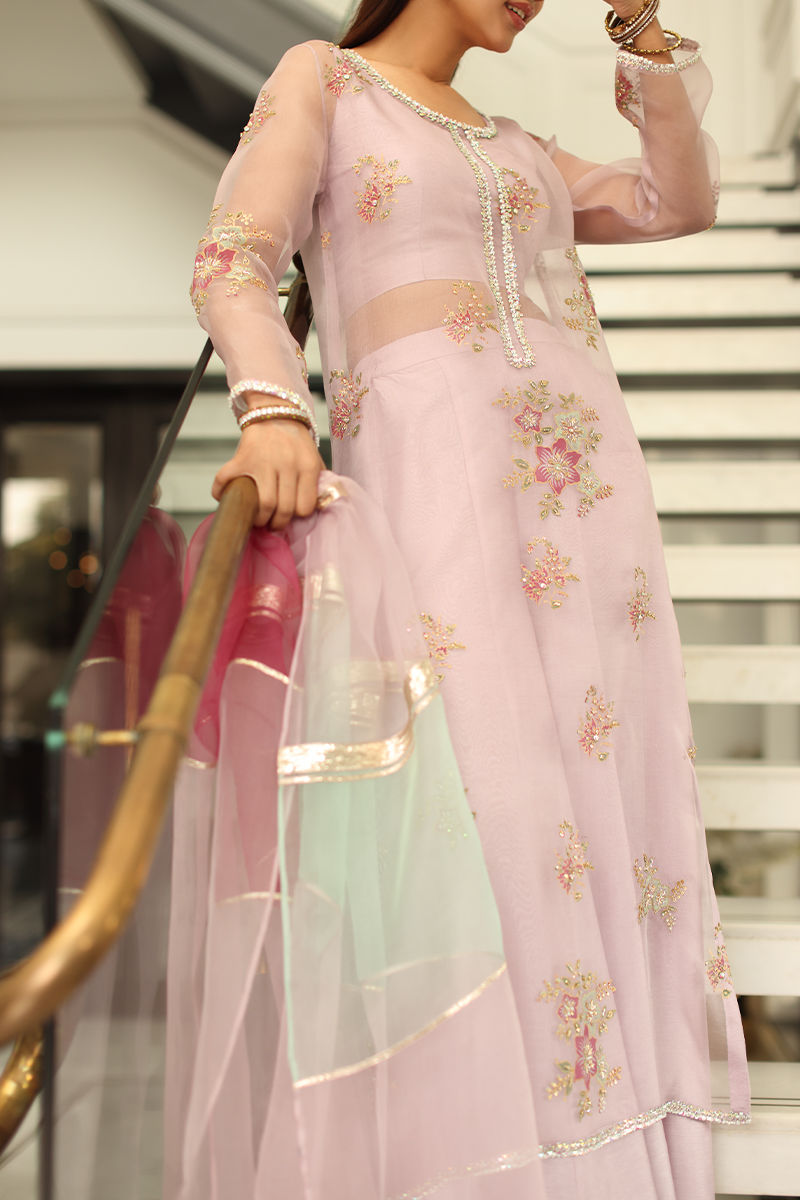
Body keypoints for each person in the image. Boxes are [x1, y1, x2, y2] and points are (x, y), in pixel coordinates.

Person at [173, 2, 751, 1196]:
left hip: (585, 494)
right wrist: (273, 408)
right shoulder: (326, 82)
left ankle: (615, 1126)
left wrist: (647, 50)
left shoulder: (515, 146)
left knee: (600, 776)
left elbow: (674, 202)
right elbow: (234, 257)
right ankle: (496, 1140)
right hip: (436, 477)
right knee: (488, 791)